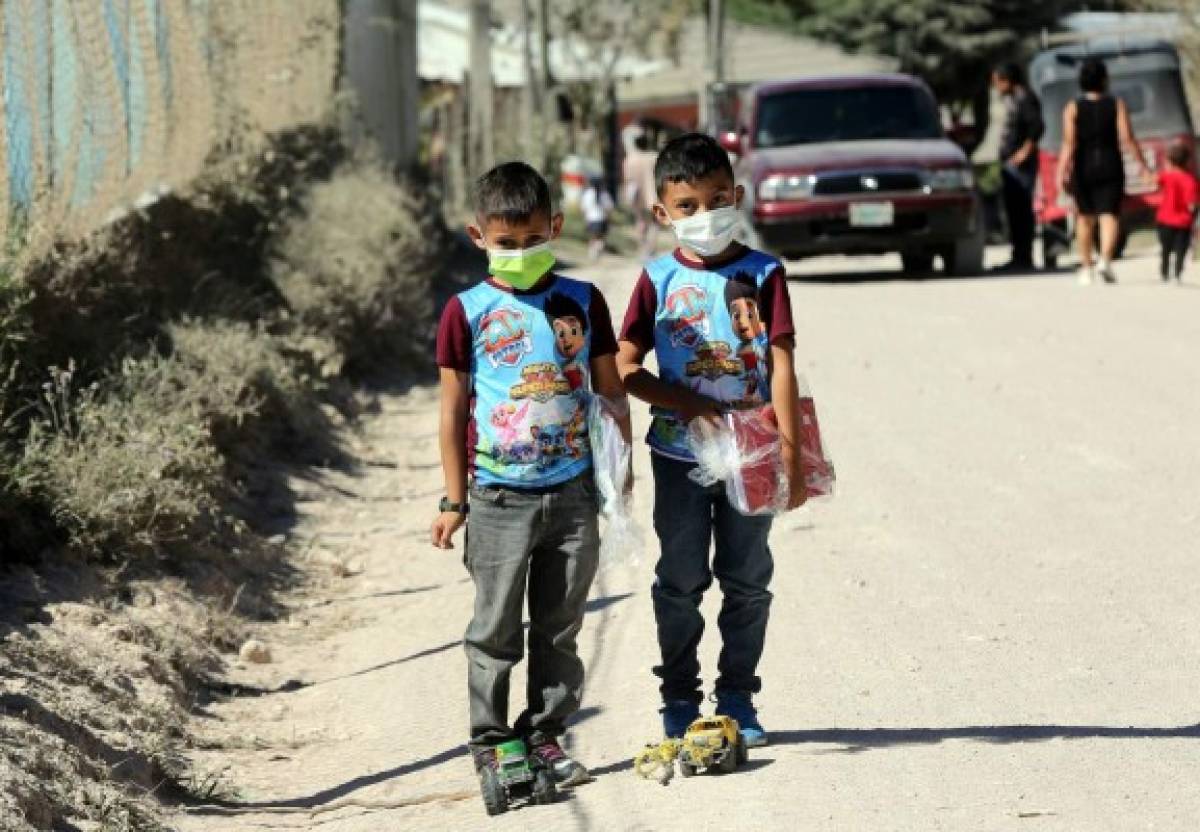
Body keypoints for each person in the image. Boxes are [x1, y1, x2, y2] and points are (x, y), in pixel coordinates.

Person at [431, 161, 630, 790]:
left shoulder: (582, 300)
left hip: (572, 496)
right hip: (496, 498)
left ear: (557, 227)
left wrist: (618, 478)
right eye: (506, 244)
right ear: (477, 236)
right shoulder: (466, 313)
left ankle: (545, 735)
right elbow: (453, 410)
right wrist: (453, 501)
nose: (520, 254)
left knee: (560, 627)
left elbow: (610, 395)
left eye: (534, 241)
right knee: (493, 630)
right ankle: (492, 744)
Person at [615, 133, 807, 748]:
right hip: (679, 458)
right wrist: (689, 404)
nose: (706, 215)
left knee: (748, 578)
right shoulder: (656, 280)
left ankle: (737, 698)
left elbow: (781, 365)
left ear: (738, 195)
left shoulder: (764, 273)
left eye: (718, 199)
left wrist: (791, 454)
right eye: (689, 205)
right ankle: (678, 698)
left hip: (751, 455)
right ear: (662, 214)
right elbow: (622, 368)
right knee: (680, 579)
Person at [1056, 57, 1149, 285]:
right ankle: (1105, 260)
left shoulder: (1072, 107)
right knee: (1109, 215)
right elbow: (1127, 138)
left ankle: (1086, 267)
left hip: (1083, 165)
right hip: (1110, 164)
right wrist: (1143, 167)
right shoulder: (1116, 104)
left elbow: (1069, 143)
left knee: (1084, 218)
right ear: (1105, 79)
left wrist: (1060, 172)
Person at [992, 62, 1044, 271]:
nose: (996, 87)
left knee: (1021, 209)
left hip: (1020, 165)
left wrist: (1023, 152)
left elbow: (1037, 127)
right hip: (1009, 162)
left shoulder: (1024, 98)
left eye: (997, 82)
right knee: (1013, 210)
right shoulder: (1012, 99)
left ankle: (1024, 256)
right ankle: (1018, 254)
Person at [1155, 142, 1199, 282]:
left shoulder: (1166, 177)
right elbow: (1192, 204)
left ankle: (1164, 272)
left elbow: (1156, 182)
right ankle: (1178, 272)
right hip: (1183, 221)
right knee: (1181, 248)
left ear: (1170, 162)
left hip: (1164, 219)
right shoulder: (1191, 180)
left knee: (1166, 248)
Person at [622, 134, 660, 260]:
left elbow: (627, 179)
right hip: (652, 194)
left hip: (637, 195)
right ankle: (651, 249)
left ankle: (643, 249)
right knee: (655, 223)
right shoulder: (654, 157)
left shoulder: (630, 160)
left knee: (640, 222)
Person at [579, 176, 615, 262]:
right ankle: (598, 249)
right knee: (601, 238)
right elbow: (609, 208)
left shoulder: (587, 194)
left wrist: (585, 217)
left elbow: (583, 208)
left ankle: (593, 253)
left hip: (591, 219)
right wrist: (610, 218)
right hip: (602, 219)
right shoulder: (604, 194)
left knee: (593, 238)